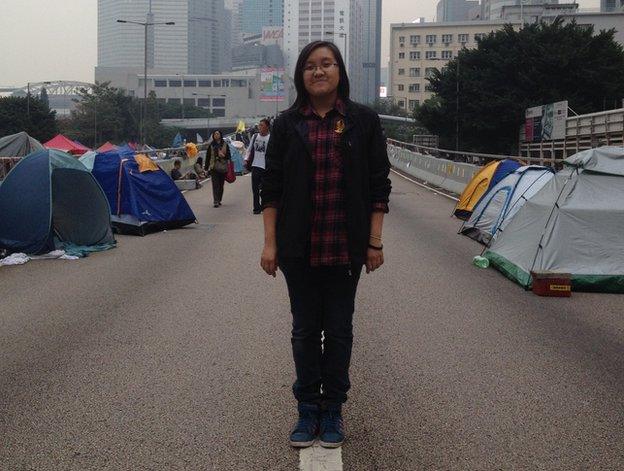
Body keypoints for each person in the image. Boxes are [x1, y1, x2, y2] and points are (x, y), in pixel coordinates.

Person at [260, 41, 391, 449]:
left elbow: (378, 185)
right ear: (301, 76)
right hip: (298, 249)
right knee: (303, 331)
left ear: (339, 72)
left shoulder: (362, 121)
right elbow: (272, 188)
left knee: (338, 332)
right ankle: (307, 409)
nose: (319, 72)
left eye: (327, 64)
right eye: (310, 66)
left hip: (345, 248)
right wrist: (270, 244)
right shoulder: (285, 125)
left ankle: (332, 408)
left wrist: (374, 242)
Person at [245, 118, 271, 214]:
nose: (259, 127)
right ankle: (256, 208)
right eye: (259, 125)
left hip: (266, 167)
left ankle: (264, 205)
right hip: (255, 165)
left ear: (267, 127)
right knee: (255, 189)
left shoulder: (270, 138)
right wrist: (246, 159)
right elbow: (249, 148)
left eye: (262, 125)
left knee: (264, 189)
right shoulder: (255, 136)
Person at [205, 130, 231, 207]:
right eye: (215, 134)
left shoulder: (225, 144)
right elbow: (208, 157)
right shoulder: (211, 145)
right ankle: (215, 201)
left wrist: (224, 156)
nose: (216, 135)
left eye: (218, 134)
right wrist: (206, 168)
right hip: (214, 167)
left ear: (220, 135)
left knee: (221, 184)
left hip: (223, 167)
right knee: (215, 184)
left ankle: (219, 199)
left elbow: (229, 156)